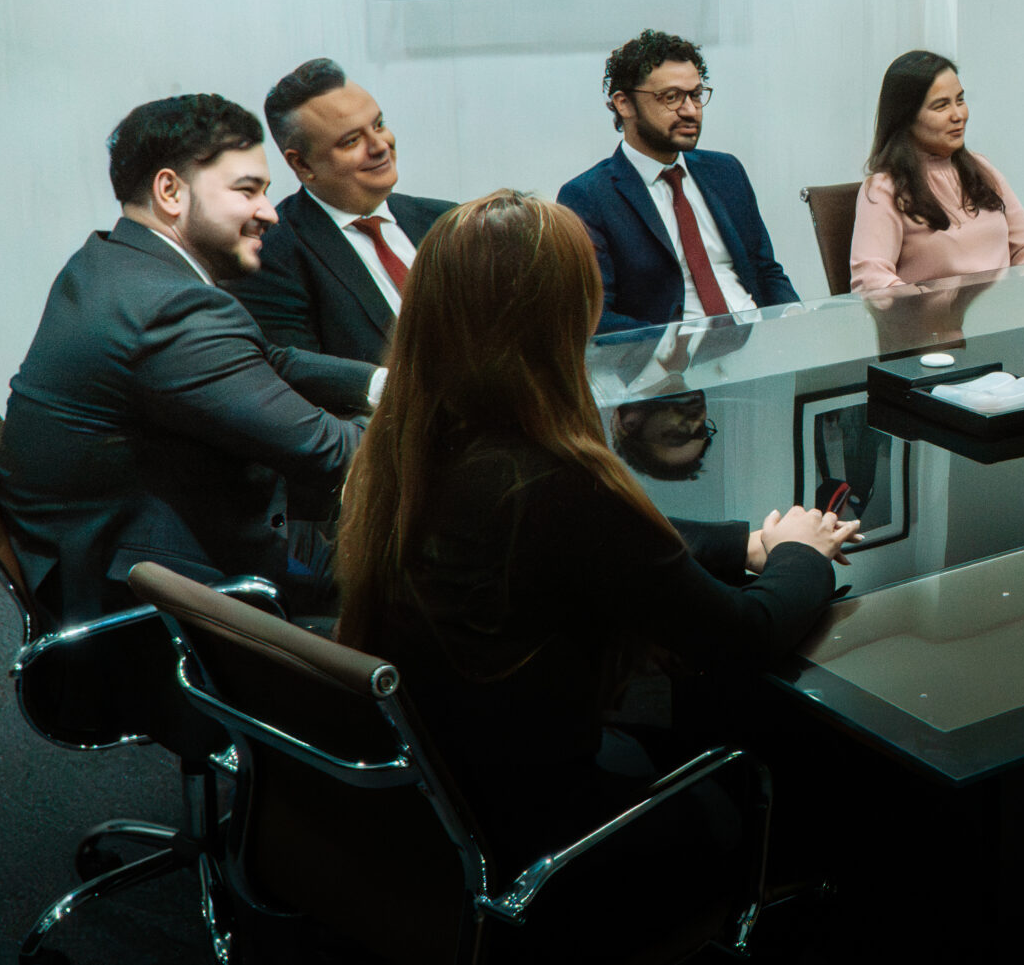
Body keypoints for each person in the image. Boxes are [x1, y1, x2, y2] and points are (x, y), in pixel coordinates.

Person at [334, 191, 854, 942]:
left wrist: (740, 542)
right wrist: (803, 549)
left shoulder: (413, 445)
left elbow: (608, 544)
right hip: (557, 837)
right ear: (561, 318)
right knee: (761, 765)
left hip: (444, 797)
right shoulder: (556, 483)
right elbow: (746, 631)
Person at [0, 95, 378, 626]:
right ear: (170, 191)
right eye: (247, 190)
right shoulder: (170, 310)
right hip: (174, 589)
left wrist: (384, 384)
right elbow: (328, 450)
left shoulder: (112, 261)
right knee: (445, 556)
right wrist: (437, 424)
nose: (269, 212)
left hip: (119, 546)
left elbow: (266, 359)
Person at [557, 30, 799, 333]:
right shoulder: (588, 197)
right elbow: (596, 316)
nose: (690, 110)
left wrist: (796, 320)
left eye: (695, 95)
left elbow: (766, 271)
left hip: (758, 339)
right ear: (624, 103)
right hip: (671, 354)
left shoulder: (726, 171)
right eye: (671, 97)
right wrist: (674, 347)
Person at [227, 58, 455, 366]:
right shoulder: (271, 255)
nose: (380, 146)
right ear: (302, 164)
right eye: (352, 141)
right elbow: (298, 375)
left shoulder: (446, 221)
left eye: (378, 125)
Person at [849, 50, 1024, 291]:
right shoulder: (884, 189)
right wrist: (929, 304)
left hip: (1003, 310)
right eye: (941, 106)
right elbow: (871, 280)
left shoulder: (981, 168)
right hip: (931, 315)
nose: (958, 115)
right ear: (906, 117)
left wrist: (1014, 291)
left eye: (960, 100)